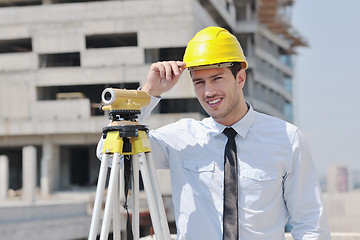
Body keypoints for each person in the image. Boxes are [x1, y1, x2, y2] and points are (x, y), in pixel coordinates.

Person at [98, 26, 331, 239]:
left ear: (240, 78)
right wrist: (149, 94)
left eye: (217, 78)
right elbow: (108, 155)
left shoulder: (287, 139)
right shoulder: (181, 137)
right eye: (199, 82)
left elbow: (310, 224)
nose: (208, 91)